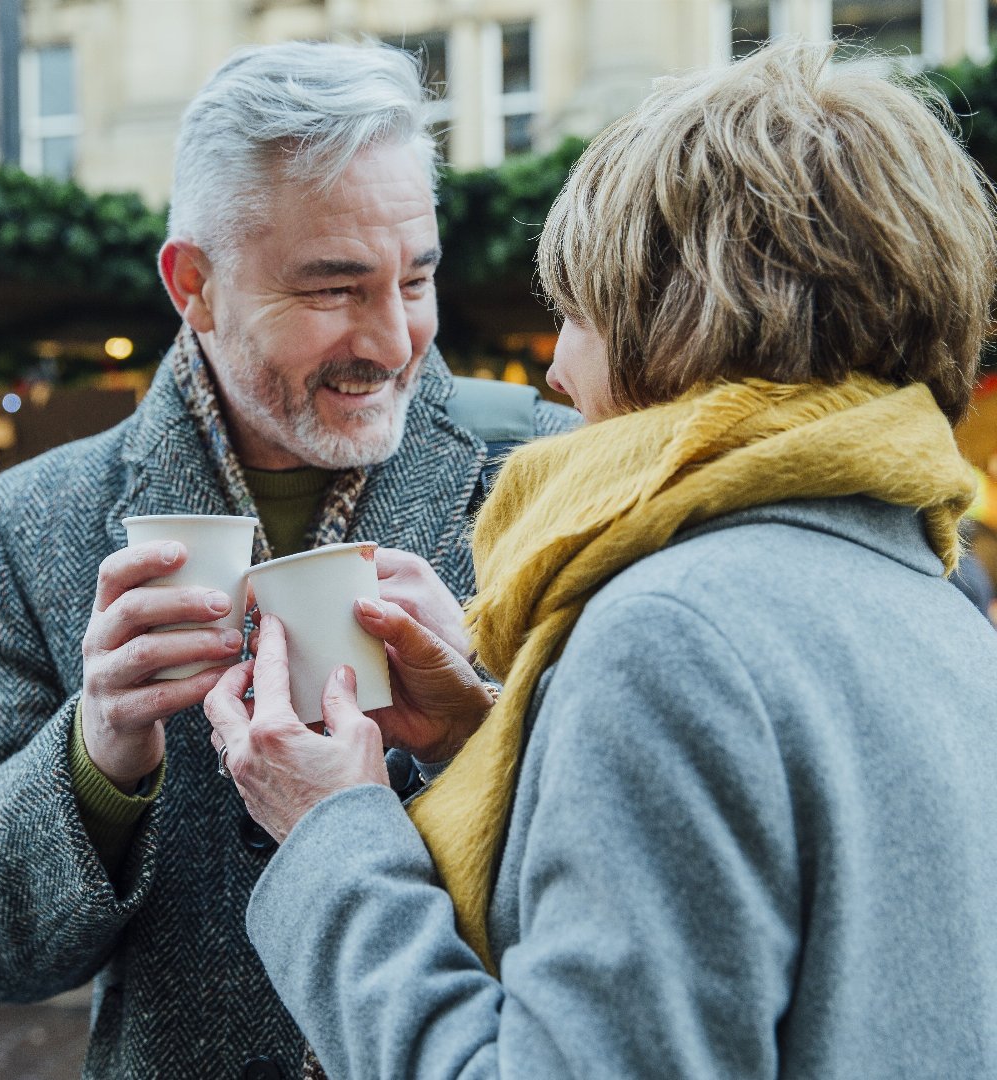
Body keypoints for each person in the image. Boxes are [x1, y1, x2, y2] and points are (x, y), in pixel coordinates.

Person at [207, 41, 997, 1079]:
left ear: (670, 320)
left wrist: (330, 834)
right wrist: (486, 741)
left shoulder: (672, 633)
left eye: (577, 309)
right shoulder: (939, 611)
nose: (555, 363)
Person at [0, 39, 579, 1080]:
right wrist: (96, 752)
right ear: (196, 286)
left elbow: (624, 878)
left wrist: (467, 744)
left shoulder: (543, 474)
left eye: (419, 276)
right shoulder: (43, 515)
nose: (395, 338)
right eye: (335, 288)